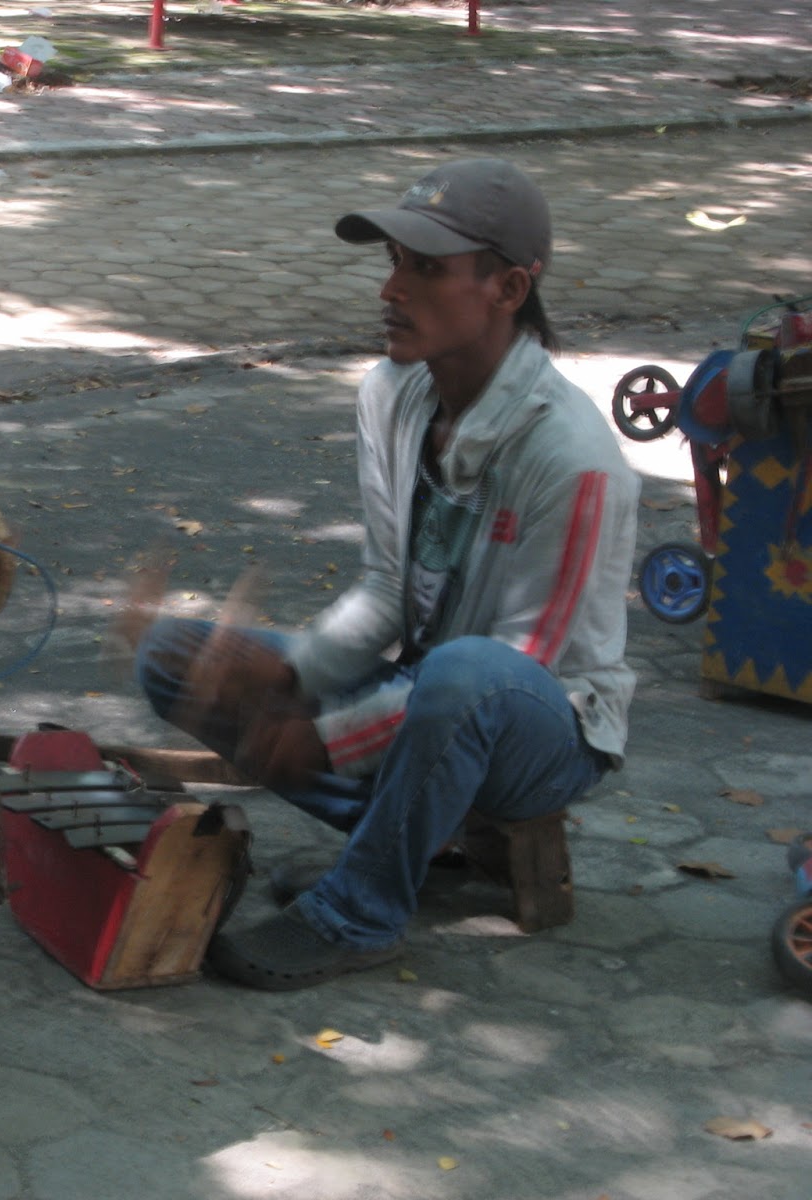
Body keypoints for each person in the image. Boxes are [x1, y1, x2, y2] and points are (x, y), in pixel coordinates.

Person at [124, 158, 639, 991]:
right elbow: (384, 589)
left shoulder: (575, 460)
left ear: (508, 289)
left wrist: (324, 736)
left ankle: (359, 912)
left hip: (546, 728)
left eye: (426, 269)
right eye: (393, 262)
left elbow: (522, 668)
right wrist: (291, 673)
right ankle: (403, 839)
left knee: (468, 674)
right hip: (429, 684)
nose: (390, 291)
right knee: (172, 657)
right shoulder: (391, 395)